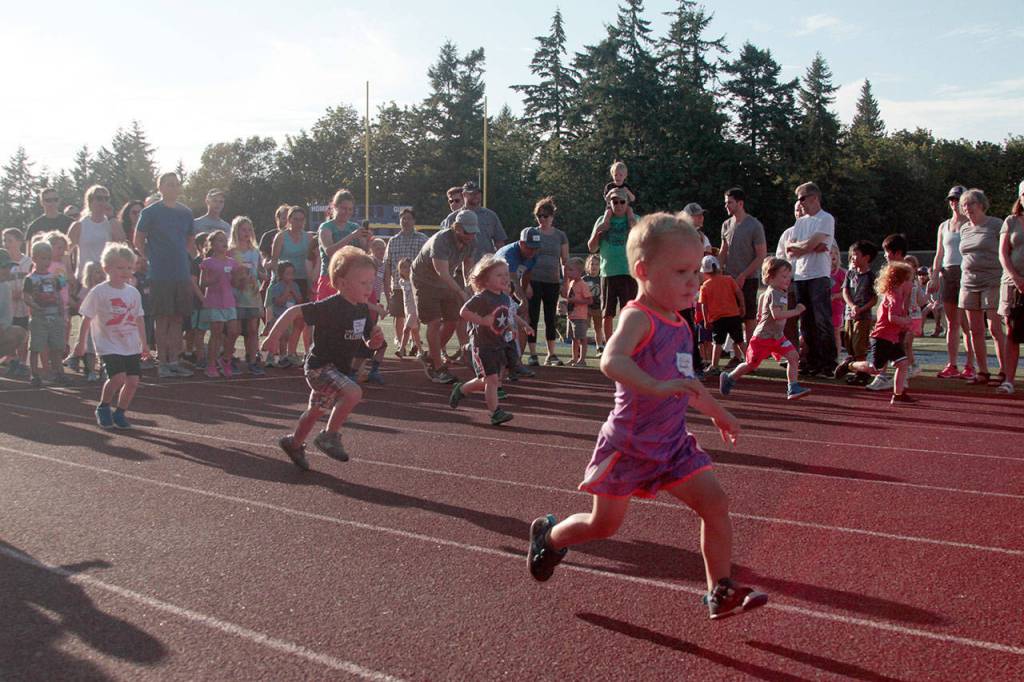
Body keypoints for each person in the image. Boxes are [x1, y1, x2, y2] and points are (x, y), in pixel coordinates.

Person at [525, 213, 767, 621]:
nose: (693, 281)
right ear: (643, 271)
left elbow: (688, 384)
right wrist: (654, 387)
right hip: (630, 445)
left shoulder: (682, 326)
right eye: (680, 272)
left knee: (716, 503)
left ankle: (719, 590)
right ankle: (548, 538)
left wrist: (719, 413)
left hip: (672, 444)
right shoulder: (638, 316)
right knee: (603, 526)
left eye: (696, 270)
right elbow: (612, 361)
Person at [262, 246, 385, 470]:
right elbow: (293, 311)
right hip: (320, 367)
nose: (369, 288)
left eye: (371, 282)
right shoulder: (331, 306)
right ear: (341, 282)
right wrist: (273, 337)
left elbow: (368, 342)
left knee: (315, 411)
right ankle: (329, 435)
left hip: (338, 370)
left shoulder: (362, 310)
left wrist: (374, 341)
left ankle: (293, 443)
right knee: (353, 392)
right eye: (363, 283)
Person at [74, 244, 148, 429]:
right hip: (108, 344)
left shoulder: (133, 292)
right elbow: (86, 318)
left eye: (129, 268)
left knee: (133, 381)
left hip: (130, 344)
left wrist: (144, 344)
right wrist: (80, 343)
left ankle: (120, 412)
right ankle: (104, 406)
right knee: (118, 377)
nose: (126, 272)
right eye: (120, 267)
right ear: (107, 268)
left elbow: (139, 319)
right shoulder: (99, 292)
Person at [133, 172, 196, 378]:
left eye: (176, 184)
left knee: (177, 318)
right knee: (162, 318)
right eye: (169, 184)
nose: (173, 188)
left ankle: (175, 360)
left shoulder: (186, 213)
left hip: (181, 272)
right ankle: (163, 362)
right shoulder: (150, 212)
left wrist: (186, 257)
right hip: (159, 273)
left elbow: (190, 240)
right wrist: (150, 257)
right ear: (160, 187)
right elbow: (138, 239)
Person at [719, 258, 810, 400]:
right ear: (771, 277)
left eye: (789, 276)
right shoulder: (775, 293)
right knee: (751, 364)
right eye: (784, 276)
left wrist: (761, 313)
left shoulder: (777, 291)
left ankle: (792, 387)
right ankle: (729, 378)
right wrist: (797, 311)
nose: (788, 280)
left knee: (794, 357)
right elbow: (777, 315)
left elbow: (762, 301)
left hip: (778, 337)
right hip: (763, 338)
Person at [448, 256, 520, 425]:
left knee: (487, 380)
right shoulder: (482, 297)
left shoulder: (503, 297)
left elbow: (502, 316)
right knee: (492, 380)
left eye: (506, 274)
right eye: (499, 275)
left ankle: (462, 389)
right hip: (483, 346)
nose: (505, 278)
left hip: (498, 343)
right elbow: (463, 312)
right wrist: (481, 320)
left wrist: (509, 328)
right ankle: (495, 413)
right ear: (485, 280)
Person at [411, 210, 478, 384]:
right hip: (425, 280)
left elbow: (468, 269)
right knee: (434, 321)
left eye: (473, 231)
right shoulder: (441, 240)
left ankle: (432, 357)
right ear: (457, 228)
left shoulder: (471, 241)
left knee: (453, 320)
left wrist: (470, 289)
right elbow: (442, 273)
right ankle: (437, 367)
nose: (471, 235)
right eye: (467, 231)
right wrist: (461, 293)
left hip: (446, 280)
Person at [836, 261, 915, 405]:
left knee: (903, 363)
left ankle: (898, 394)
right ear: (901, 281)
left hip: (893, 338)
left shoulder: (899, 297)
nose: (912, 284)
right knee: (874, 369)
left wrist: (906, 325)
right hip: (882, 338)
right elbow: (892, 318)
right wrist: (906, 321)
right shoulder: (894, 297)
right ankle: (850, 365)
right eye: (910, 280)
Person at [784, 182, 837, 376]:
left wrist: (804, 247)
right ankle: (812, 360)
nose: (800, 204)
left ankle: (828, 363)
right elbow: (791, 247)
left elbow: (812, 244)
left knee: (822, 320)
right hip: (800, 276)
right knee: (806, 322)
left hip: (818, 275)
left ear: (814, 197)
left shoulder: (826, 219)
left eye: (802, 199)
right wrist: (808, 247)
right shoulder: (800, 222)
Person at [958, 188, 1007, 385]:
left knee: (994, 327)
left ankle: (1004, 371)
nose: (967, 208)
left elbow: (1006, 250)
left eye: (970, 203)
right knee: (974, 330)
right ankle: (983, 372)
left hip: (992, 281)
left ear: (981, 204)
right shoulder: (964, 228)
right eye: (964, 205)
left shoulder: (996, 224)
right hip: (968, 282)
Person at [588, 187, 638, 346]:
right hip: (608, 272)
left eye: (622, 201)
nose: (618, 204)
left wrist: (633, 225)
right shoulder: (602, 220)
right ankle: (609, 346)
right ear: (610, 203)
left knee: (628, 312)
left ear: (627, 203)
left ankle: (626, 345)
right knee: (607, 313)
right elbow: (592, 248)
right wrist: (598, 232)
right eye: (614, 202)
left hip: (629, 272)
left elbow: (647, 243)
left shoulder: (635, 218)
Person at [523, 197, 569, 366]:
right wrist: (526, 283)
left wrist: (565, 283)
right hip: (534, 280)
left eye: (545, 216)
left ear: (552, 216)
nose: (542, 219)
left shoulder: (560, 235)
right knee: (533, 316)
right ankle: (533, 354)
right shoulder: (532, 233)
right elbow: (526, 258)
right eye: (539, 216)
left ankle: (551, 354)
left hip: (553, 281)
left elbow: (565, 261)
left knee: (551, 317)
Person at [719, 188, 767, 343]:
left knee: (748, 317)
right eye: (726, 203)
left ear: (740, 203)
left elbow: (761, 255)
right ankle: (737, 355)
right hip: (728, 279)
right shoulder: (726, 225)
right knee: (730, 317)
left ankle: (750, 354)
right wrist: (717, 274)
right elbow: (722, 252)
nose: (726, 206)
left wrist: (743, 275)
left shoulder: (754, 225)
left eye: (730, 203)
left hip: (749, 279)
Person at [198, 230, 244, 378]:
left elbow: (235, 283)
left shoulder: (232, 262)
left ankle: (225, 360)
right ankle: (211, 365)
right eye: (219, 240)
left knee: (234, 331)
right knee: (216, 333)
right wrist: (214, 279)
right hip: (214, 301)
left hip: (229, 301)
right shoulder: (208, 262)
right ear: (212, 244)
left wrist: (241, 278)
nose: (223, 243)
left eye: (225, 240)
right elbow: (202, 283)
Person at [271, 206, 313, 364]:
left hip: (301, 280)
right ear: (288, 220)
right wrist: (279, 281)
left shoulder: (308, 238)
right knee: (283, 317)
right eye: (295, 219)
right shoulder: (281, 237)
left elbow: (311, 260)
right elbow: (274, 261)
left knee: (300, 319)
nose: (298, 222)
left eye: (301, 219)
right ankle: (279, 352)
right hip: (284, 281)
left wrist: (310, 283)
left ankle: (292, 352)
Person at [22, 240, 67, 386]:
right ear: (34, 258)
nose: (46, 261)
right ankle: (34, 373)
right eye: (42, 258)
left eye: (48, 258)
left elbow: (59, 293)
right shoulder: (30, 278)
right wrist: (34, 305)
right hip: (39, 317)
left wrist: (62, 310)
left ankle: (59, 372)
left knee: (56, 346)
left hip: (55, 315)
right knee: (36, 346)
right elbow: (26, 296)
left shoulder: (55, 277)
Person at [834, 240, 879, 385]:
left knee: (859, 344)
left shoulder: (871, 277)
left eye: (856, 255)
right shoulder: (850, 274)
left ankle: (862, 373)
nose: (852, 258)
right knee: (849, 343)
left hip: (863, 316)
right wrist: (852, 306)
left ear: (866, 257)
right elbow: (845, 291)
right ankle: (854, 366)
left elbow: (874, 298)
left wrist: (861, 308)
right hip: (849, 314)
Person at [383, 208, 428, 347]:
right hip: (397, 284)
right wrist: (386, 284)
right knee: (399, 314)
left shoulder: (422, 239)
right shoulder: (393, 240)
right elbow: (388, 264)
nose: (406, 221)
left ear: (414, 221)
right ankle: (399, 339)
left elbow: (428, 261)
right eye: (403, 218)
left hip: (416, 284)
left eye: (409, 218)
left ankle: (414, 341)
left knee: (415, 314)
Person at [316, 189, 372, 300]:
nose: (347, 212)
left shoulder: (354, 227)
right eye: (344, 208)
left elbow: (363, 252)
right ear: (335, 207)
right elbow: (330, 252)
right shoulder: (326, 227)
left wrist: (368, 241)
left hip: (351, 279)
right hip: (330, 278)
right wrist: (352, 236)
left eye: (350, 209)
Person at [996, 179, 1024, 394]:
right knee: (1012, 331)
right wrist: (1016, 277)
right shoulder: (1011, 221)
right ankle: (1008, 380)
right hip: (1012, 284)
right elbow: (1003, 254)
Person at [229, 216, 266, 375]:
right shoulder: (231, 252)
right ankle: (228, 358)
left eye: (249, 229)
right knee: (234, 330)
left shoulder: (255, 252)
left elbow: (258, 271)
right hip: (236, 296)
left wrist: (262, 275)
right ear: (236, 231)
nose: (247, 233)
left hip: (252, 295)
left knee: (252, 329)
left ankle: (252, 360)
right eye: (243, 229)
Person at [68, 185, 127, 282]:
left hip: (107, 277)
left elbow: (122, 242)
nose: (103, 202)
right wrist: (70, 274)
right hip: (85, 278)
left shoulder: (111, 223)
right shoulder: (79, 225)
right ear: (90, 201)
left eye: (106, 199)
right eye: (99, 198)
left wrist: (111, 216)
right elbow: (66, 253)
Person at [698, 255, 745, 376]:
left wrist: (705, 319)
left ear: (705, 272)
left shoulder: (705, 286)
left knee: (717, 342)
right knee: (740, 340)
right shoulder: (729, 279)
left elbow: (704, 305)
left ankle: (714, 366)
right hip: (733, 315)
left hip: (718, 318)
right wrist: (742, 307)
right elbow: (739, 293)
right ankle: (751, 362)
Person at [441, 182, 506, 262]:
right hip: (460, 267)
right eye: (471, 193)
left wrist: (499, 261)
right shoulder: (452, 218)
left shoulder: (491, 215)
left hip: (485, 265)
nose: (476, 196)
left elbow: (499, 242)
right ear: (464, 194)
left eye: (478, 193)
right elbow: (445, 245)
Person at [2, 229, 31, 377]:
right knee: (13, 331)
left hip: (22, 308)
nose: (6, 244)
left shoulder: (27, 262)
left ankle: (19, 361)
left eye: (10, 240)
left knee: (22, 332)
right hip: (6, 314)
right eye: (4, 240)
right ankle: (11, 360)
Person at [265, 262, 303, 367]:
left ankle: (283, 357)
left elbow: (299, 300)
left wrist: (294, 292)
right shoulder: (277, 287)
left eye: (292, 274)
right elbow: (278, 302)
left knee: (286, 338)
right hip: (278, 317)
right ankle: (270, 356)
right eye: (287, 274)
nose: (290, 276)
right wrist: (287, 291)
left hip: (289, 318)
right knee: (276, 337)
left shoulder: (295, 286)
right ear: (281, 275)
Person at [562, 257, 593, 366]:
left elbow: (589, 300)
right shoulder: (571, 283)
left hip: (580, 316)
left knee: (582, 338)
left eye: (570, 270)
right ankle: (574, 358)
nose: (567, 272)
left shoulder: (582, 284)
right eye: (567, 270)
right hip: (571, 316)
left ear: (579, 272)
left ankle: (582, 359)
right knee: (574, 338)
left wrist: (574, 300)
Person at [394, 258, 422, 358]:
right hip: (407, 310)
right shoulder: (401, 282)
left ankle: (401, 350)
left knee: (406, 329)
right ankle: (421, 351)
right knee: (415, 333)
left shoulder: (414, 280)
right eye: (403, 267)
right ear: (400, 270)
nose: (406, 269)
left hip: (414, 310)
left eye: (408, 267)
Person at [583, 254, 605, 351]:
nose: (594, 266)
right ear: (587, 266)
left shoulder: (602, 278)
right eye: (592, 264)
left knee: (598, 328)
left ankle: (599, 346)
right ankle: (581, 347)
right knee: (583, 328)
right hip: (586, 308)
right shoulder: (584, 279)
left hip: (598, 308)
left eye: (597, 264)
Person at [829, 244, 846, 362]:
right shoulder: (822, 272)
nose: (833, 256)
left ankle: (836, 356)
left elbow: (846, 292)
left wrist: (835, 296)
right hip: (824, 308)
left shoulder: (841, 273)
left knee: (836, 332)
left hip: (836, 308)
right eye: (830, 253)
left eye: (835, 253)